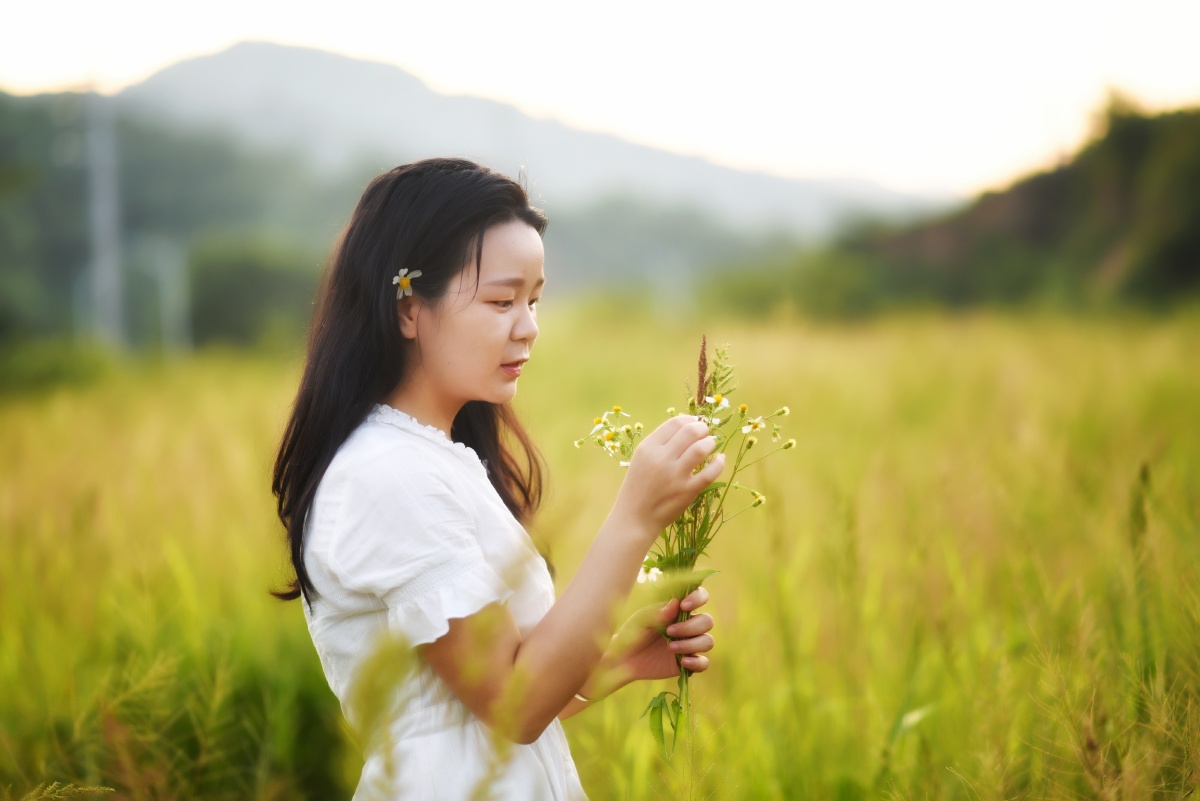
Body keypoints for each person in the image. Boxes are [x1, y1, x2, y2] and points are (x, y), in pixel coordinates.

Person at [272, 157, 725, 800]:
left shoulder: (433, 458)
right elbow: (513, 707)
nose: (529, 327)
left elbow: (500, 698)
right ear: (407, 308)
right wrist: (635, 517)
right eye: (501, 300)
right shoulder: (387, 473)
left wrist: (623, 657)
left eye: (534, 301)